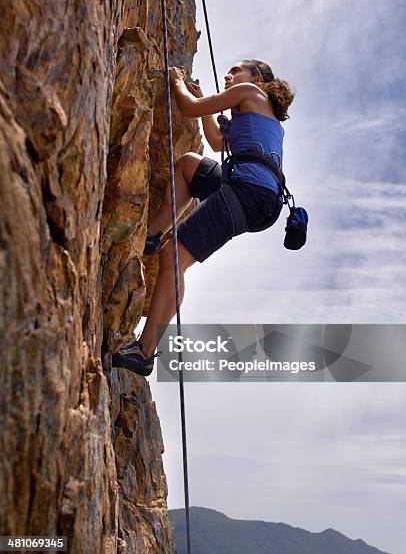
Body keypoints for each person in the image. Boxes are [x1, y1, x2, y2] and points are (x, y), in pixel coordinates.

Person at [112, 59, 295, 376]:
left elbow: (188, 107)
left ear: (258, 78)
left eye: (236, 70)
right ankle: (153, 236)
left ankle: (144, 351)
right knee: (188, 166)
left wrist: (176, 81)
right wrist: (206, 105)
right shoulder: (257, 109)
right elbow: (216, 143)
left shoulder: (249, 92)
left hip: (248, 193)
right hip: (258, 196)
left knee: (175, 256)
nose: (229, 75)